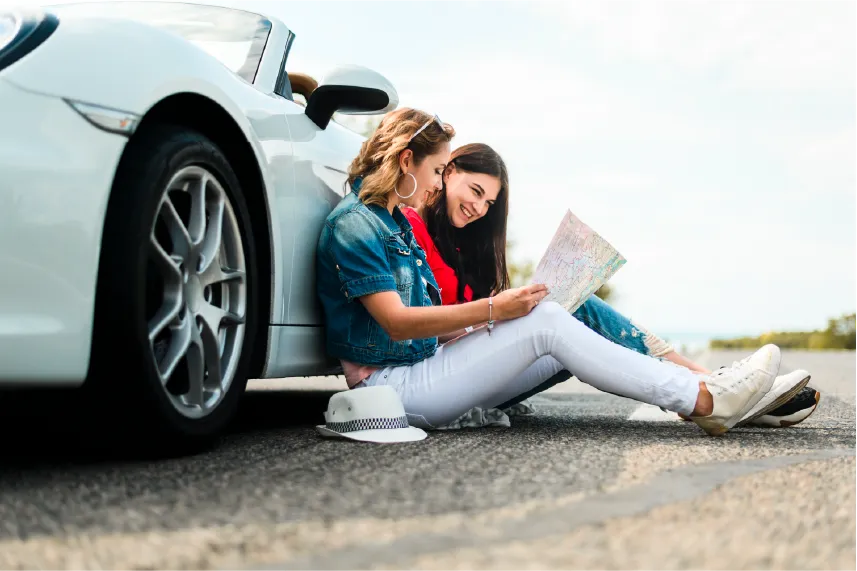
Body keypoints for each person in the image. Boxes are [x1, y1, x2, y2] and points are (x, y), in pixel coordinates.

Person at [316, 107, 783, 438]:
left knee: (557, 315)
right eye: (439, 171)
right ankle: (706, 398)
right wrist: (498, 308)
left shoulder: (394, 223)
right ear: (405, 161)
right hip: (391, 388)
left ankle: (705, 389)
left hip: (423, 369)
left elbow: (432, 324)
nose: (439, 183)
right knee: (547, 322)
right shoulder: (357, 224)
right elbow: (397, 323)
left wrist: (503, 314)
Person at [402, 142, 819, 427]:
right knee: (560, 315)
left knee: (573, 306)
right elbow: (419, 330)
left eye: (488, 202)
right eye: (474, 191)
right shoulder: (410, 227)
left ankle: (720, 389)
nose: (478, 207)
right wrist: (492, 316)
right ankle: (712, 387)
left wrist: (507, 308)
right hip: (442, 377)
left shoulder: (466, 245)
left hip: (473, 367)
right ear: (447, 172)